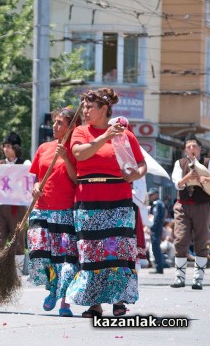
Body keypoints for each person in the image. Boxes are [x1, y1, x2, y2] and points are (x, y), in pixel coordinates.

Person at [65, 88, 147, 318]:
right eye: (84, 106)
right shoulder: (81, 131)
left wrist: (134, 175)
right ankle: (95, 304)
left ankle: (119, 300)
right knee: (91, 253)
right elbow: (80, 154)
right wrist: (105, 137)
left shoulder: (125, 134)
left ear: (104, 109)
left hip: (119, 200)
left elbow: (141, 164)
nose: (85, 110)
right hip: (88, 200)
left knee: (118, 252)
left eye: (90, 107)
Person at [27, 107, 80, 317]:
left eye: (60, 123)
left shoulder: (76, 150)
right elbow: (36, 177)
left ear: (71, 127)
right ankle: (52, 289)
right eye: (55, 122)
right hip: (41, 210)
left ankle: (65, 301)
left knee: (65, 260)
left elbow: (77, 180)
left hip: (64, 212)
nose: (55, 126)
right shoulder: (44, 148)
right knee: (41, 254)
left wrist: (66, 158)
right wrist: (36, 187)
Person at [170, 133, 210, 290]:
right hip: (183, 205)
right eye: (189, 147)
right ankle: (179, 278)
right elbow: (176, 183)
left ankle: (198, 279)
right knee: (180, 239)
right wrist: (187, 177)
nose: (192, 149)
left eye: (194, 146)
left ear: (200, 148)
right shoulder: (179, 164)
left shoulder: (207, 162)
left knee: (201, 241)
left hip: (202, 206)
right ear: (185, 150)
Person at [0, 131, 31, 275]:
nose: (6, 149)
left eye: (9, 146)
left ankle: (17, 273)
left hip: (17, 207)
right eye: (4, 146)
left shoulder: (25, 165)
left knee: (17, 237)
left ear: (16, 148)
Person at [148, 188, 166, 274]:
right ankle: (159, 267)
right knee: (156, 247)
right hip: (158, 227)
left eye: (151, 195)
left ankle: (159, 267)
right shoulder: (160, 203)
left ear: (156, 194)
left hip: (156, 228)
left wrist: (151, 227)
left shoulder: (157, 203)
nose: (150, 197)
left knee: (155, 247)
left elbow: (155, 217)